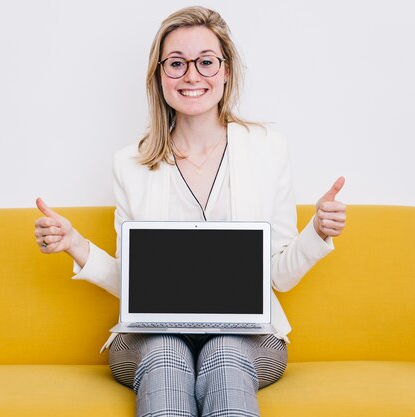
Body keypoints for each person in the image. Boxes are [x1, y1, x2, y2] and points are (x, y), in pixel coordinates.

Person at [34, 6, 346, 417]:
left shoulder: (267, 149)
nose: (192, 75)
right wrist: (75, 245)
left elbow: (278, 276)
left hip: (249, 335)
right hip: (150, 334)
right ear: (159, 75)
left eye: (206, 62)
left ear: (227, 70)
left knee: (223, 354)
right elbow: (135, 285)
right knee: (166, 355)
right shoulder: (130, 162)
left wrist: (318, 232)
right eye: (177, 63)